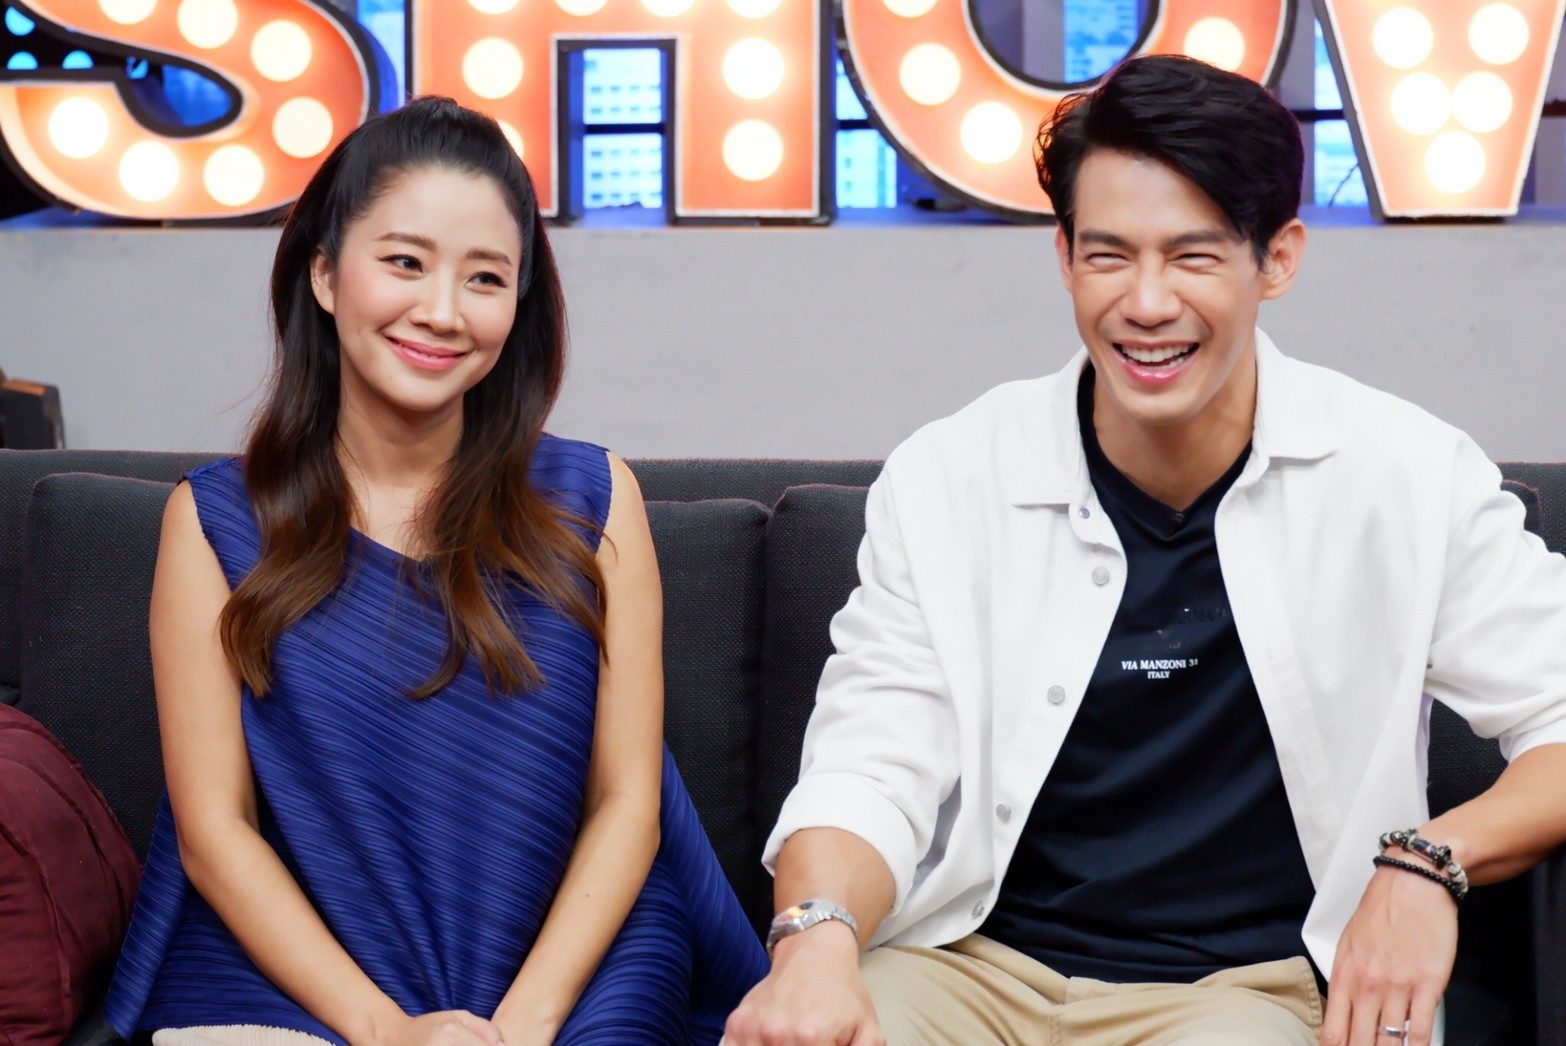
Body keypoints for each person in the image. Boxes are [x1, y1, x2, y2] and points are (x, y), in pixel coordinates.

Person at [725, 55, 1566, 1046]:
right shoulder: (952, 475)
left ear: (1278, 259)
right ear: (1065, 258)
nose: (1148, 302)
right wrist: (814, 945)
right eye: (1109, 255)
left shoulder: (1405, 474)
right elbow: (869, 766)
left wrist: (1430, 859)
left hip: (1243, 996)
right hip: (971, 973)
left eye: (1193, 256)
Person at [104, 96, 766, 1045]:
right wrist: (386, 1032)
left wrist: (521, 1028)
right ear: (325, 273)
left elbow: (627, 806)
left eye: (485, 278)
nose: (443, 313)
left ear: (519, 305)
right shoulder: (214, 524)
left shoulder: (594, 498)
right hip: (305, 986)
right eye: (405, 263)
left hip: (573, 976)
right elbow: (217, 832)